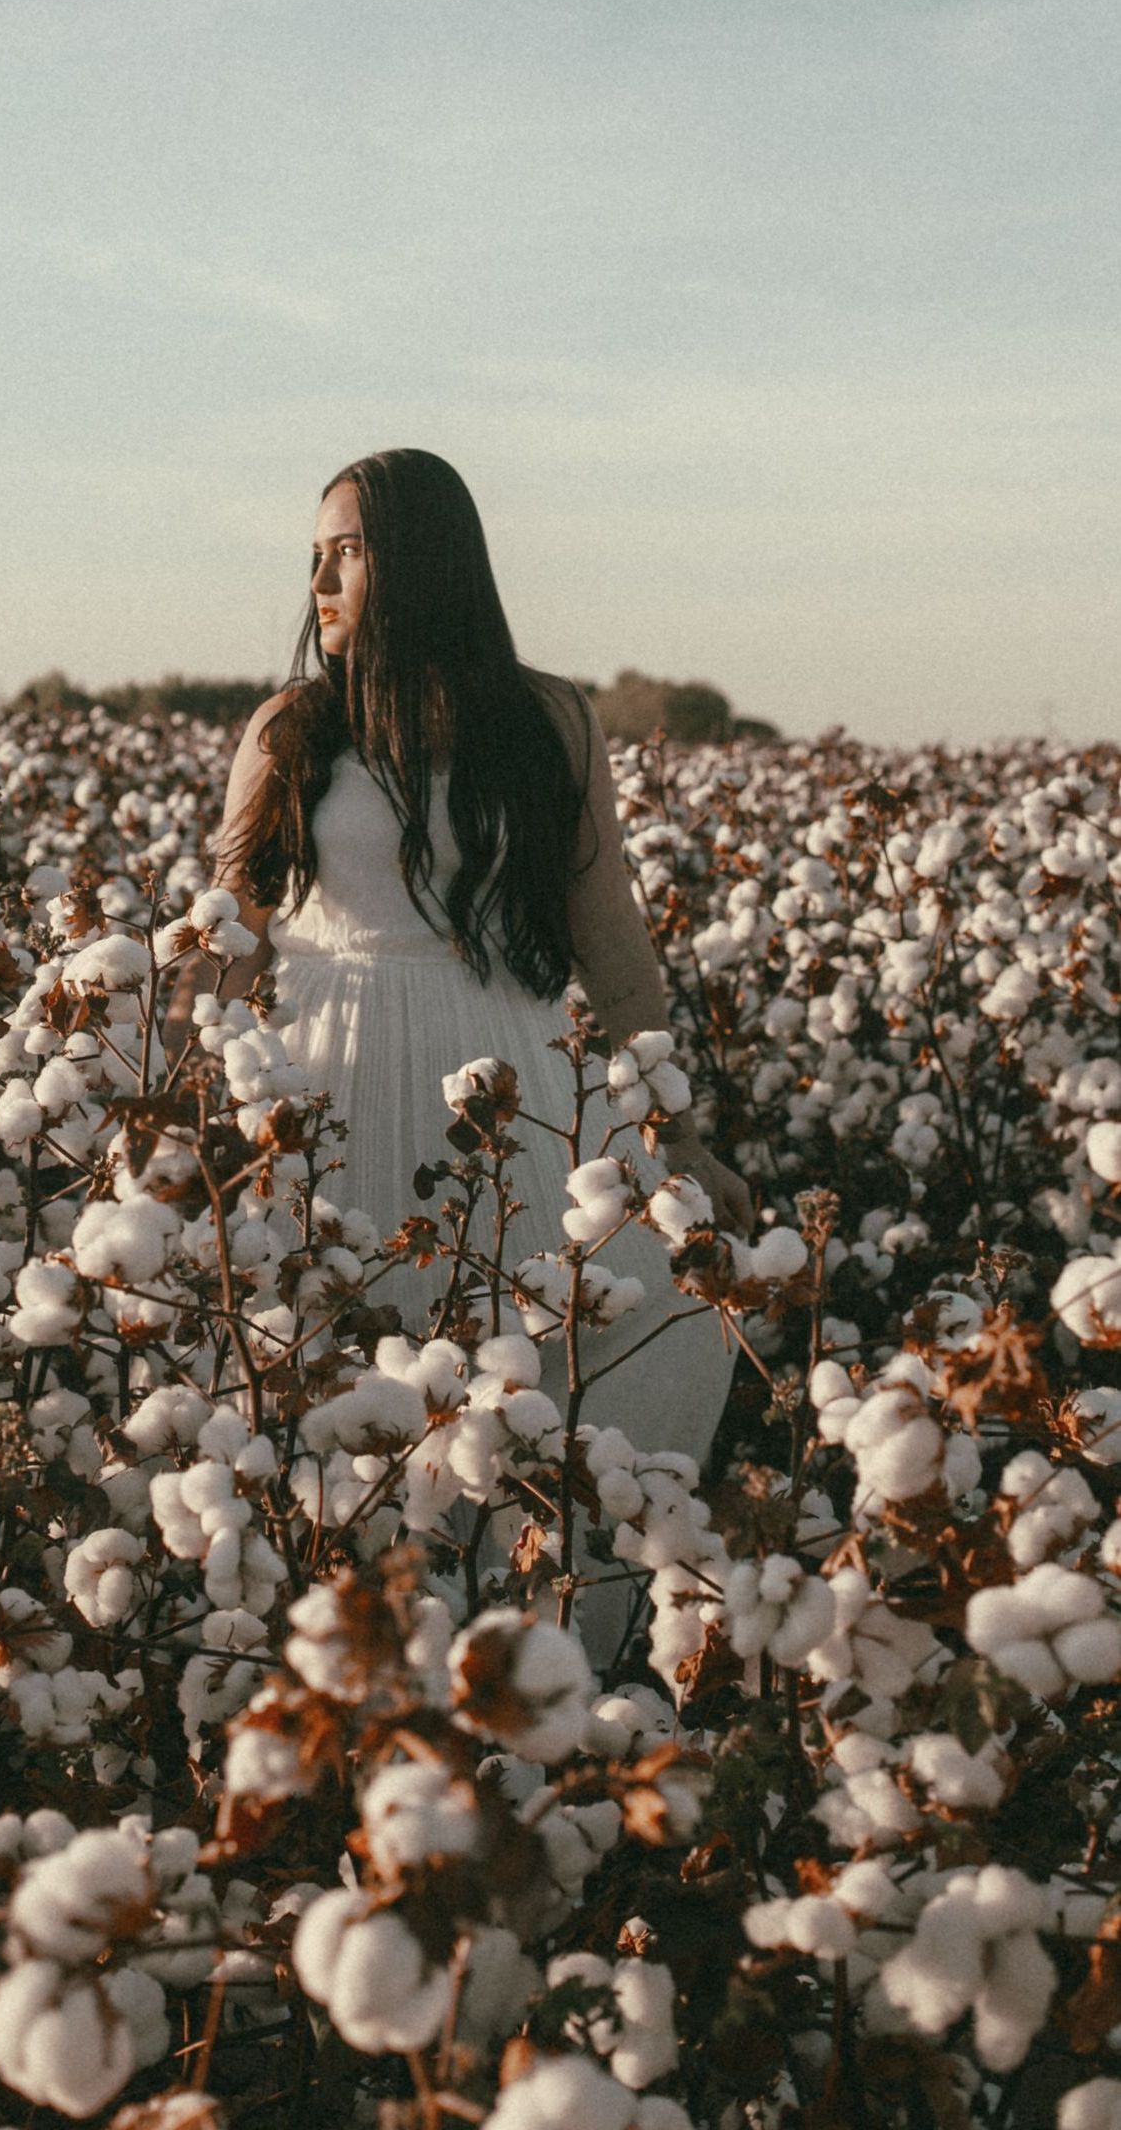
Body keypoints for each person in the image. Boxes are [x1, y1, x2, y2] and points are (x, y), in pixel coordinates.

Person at [197, 448, 749, 1560]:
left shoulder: (545, 722)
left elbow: (611, 944)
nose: (320, 582)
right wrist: (162, 1106)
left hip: (510, 1090)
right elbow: (224, 944)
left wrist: (676, 1131)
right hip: (328, 1093)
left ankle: (507, 1670)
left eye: (347, 553)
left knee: (540, 1379)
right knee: (331, 1391)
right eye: (314, 557)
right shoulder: (290, 731)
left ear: (423, 564)